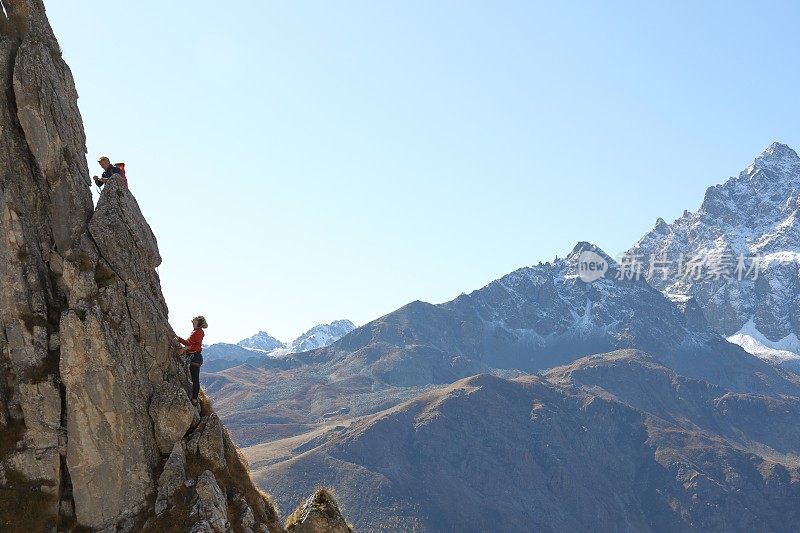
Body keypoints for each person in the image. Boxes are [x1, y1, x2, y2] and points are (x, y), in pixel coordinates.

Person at [177, 315, 208, 406]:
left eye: (194, 319)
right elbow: (188, 343)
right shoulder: (195, 331)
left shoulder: (199, 332)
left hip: (195, 357)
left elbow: (197, 346)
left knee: (195, 379)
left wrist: (185, 348)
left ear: (197, 321)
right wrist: (178, 338)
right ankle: (194, 397)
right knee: (193, 377)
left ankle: (194, 399)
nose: (192, 320)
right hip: (193, 357)